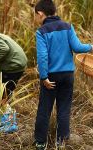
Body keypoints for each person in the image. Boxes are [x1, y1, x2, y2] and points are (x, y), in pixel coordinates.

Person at [33, 0, 93, 150]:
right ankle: (61, 141)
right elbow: (78, 47)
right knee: (64, 108)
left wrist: (44, 77)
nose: (35, 18)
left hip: (51, 77)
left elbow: (42, 56)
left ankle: (41, 142)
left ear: (40, 14)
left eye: (35, 15)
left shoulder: (42, 32)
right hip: (67, 75)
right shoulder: (67, 26)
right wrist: (91, 46)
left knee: (44, 109)